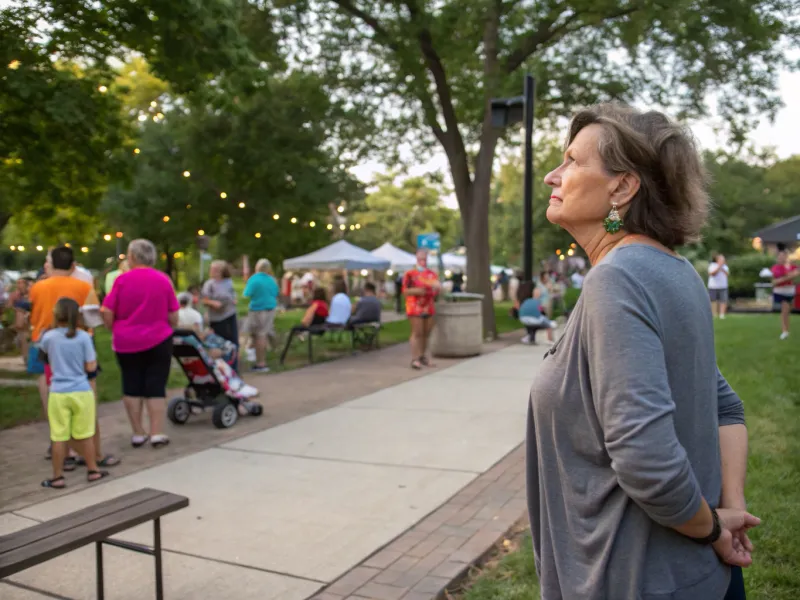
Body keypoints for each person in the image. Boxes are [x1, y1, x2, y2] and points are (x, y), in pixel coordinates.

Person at [531, 104, 757, 600]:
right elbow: (726, 405)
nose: (554, 174)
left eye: (572, 161)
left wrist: (714, 528)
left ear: (622, 187)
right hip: (701, 579)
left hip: (632, 580)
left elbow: (645, 459)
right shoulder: (674, 271)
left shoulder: (619, 279)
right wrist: (728, 512)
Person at [29, 247, 117, 467]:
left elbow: (34, 313)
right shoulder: (84, 287)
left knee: (54, 405)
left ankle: (61, 453)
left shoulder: (37, 288)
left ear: (51, 263)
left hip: (44, 345)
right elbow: (92, 320)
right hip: (77, 348)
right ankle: (94, 453)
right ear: (73, 265)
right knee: (87, 404)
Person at [102, 239, 179, 449]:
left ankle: (137, 432)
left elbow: (106, 310)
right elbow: (174, 314)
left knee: (131, 384)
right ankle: (156, 432)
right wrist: (169, 324)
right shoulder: (163, 280)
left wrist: (113, 327)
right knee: (156, 386)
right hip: (159, 338)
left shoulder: (121, 280)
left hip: (126, 340)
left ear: (132, 257)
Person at [40, 298, 110, 488]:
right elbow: (91, 366)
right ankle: (93, 469)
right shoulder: (84, 337)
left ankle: (57, 476)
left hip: (58, 391)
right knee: (85, 434)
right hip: (81, 390)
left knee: (58, 436)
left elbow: (44, 358)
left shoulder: (49, 337)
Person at [402, 249, 441, 370]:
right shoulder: (410, 274)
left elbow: (437, 291)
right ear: (416, 258)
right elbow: (405, 291)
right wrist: (418, 291)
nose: (423, 261)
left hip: (428, 306)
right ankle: (415, 358)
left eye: (424, 258)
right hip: (415, 306)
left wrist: (437, 288)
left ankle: (422, 355)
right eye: (420, 258)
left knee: (426, 333)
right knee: (417, 332)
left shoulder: (432, 274)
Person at [242, 258, 279, 373]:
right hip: (271, 309)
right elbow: (276, 293)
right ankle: (260, 355)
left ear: (257, 267)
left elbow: (247, 294)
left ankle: (261, 363)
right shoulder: (272, 280)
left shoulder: (254, 279)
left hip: (257, 309)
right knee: (260, 333)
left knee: (260, 335)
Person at [201, 261, 239, 369]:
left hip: (229, 314)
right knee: (218, 344)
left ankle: (233, 368)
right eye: (212, 269)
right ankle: (220, 368)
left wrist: (234, 299)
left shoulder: (228, 282)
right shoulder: (209, 284)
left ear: (222, 271)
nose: (213, 272)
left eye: (216, 270)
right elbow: (204, 300)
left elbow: (232, 294)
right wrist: (213, 303)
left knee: (233, 342)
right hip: (216, 318)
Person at [770, 250, 798, 340]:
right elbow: (774, 282)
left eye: (783, 256)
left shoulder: (793, 266)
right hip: (780, 291)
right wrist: (788, 277)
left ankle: (786, 330)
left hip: (790, 291)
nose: (781, 258)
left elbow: (796, 275)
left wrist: (782, 279)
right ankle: (785, 331)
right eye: (779, 256)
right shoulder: (775, 268)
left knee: (788, 311)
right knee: (785, 310)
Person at [708, 254, 730, 319]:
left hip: (723, 286)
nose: (723, 261)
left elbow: (727, 274)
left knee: (723, 300)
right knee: (713, 301)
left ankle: (722, 314)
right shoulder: (712, 265)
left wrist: (722, 267)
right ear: (717, 260)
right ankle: (713, 314)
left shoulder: (725, 267)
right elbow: (712, 274)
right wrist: (718, 267)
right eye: (721, 259)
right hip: (713, 286)